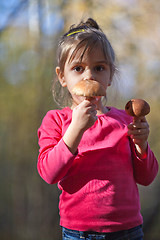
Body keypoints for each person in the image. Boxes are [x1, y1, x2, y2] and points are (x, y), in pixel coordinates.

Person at [37, 18, 159, 240]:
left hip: (129, 230)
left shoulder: (125, 119)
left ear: (110, 75)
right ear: (62, 76)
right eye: (78, 68)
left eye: (99, 67)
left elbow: (147, 177)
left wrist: (142, 145)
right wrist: (75, 130)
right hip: (79, 233)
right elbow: (49, 173)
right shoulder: (56, 120)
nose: (89, 76)